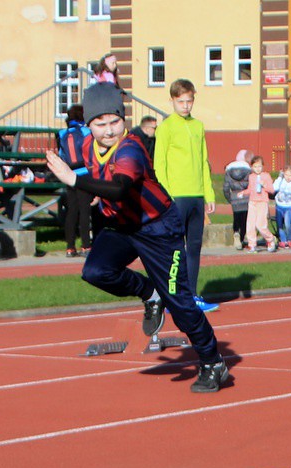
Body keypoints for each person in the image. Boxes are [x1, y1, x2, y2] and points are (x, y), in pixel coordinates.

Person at [45, 82, 229, 393]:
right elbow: (104, 182)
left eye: (114, 122)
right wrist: (93, 193)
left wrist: (74, 180)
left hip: (159, 229)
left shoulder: (130, 147)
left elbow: (119, 187)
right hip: (122, 226)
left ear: (124, 121)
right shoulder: (89, 147)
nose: (108, 130)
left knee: (182, 306)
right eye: (100, 124)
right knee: (95, 271)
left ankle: (213, 361)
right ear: (88, 125)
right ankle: (149, 293)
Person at [153, 79, 218, 313]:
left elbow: (203, 161)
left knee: (195, 246)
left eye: (189, 101)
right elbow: (159, 164)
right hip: (176, 196)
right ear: (172, 101)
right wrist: (166, 195)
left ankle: (191, 294)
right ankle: (173, 297)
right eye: (180, 101)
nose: (185, 106)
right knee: (175, 249)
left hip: (196, 196)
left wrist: (208, 194)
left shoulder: (198, 126)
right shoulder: (166, 127)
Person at [57, 104, 93, 257]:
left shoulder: (62, 133)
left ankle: (70, 247)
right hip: (83, 174)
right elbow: (91, 152)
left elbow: (61, 154)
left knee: (72, 211)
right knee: (84, 210)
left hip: (68, 174)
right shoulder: (86, 132)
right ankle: (86, 245)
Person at [237, 155, 276, 253]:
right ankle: (252, 244)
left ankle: (270, 239)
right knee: (250, 224)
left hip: (262, 202)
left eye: (259, 166)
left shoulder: (266, 176)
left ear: (263, 166)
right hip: (252, 202)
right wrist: (243, 192)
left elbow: (272, 190)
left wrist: (264, 185)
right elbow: (250, 189)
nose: (257, 169)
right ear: (251, 167)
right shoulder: (251, 176)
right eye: (255, 167)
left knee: (261, 225)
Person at [223, 149, 252, 250]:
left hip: (235, 197)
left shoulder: (229, 169)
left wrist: (230, 199)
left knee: (236, 217)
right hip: (246, 197)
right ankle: (242, 237)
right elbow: (251, 185)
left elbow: (226, 187)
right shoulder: (248, 170)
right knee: (245, 219)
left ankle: (236, 233)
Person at [273, 165, 291, 248]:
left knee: (287, 224)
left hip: (288, 207)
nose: (288, 177)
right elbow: (274, 187)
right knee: (280, 225)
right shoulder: (281, 181)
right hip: (279, 205)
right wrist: (279, 177)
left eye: (290, 175)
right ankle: (283, 240)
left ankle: (289, 238)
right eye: (286, 175)